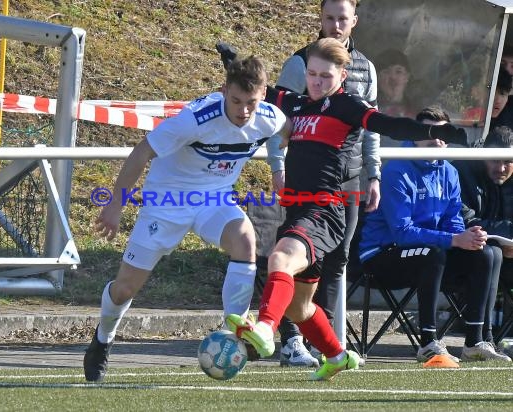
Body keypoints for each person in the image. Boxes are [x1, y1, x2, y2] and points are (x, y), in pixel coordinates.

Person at [217, 38, 468, 380]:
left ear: (343, 75)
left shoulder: (347, 106)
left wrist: (433, 131)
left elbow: (389, 125)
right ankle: (337, 355)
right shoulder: (299, 104)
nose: (317, 82)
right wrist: (233, 60)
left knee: (279, 259)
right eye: (312, 74)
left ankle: (263, 329)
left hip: (324, 212)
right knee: (300, 306)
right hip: (299, 213)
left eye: (325, 76)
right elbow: (264, 90)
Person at [82, 55, 291, 382]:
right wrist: (114, 205)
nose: (243, 110)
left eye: (251, 102)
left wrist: (286, 167)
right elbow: (141, 152)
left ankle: (231, 332)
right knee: (124, 289)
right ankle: (102, 339)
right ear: (223, 91)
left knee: (245, 238)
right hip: (167, 199)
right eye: (236, 101)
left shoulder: (269, 117)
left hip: (215, 198)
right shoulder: (196, 118)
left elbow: (292, 133)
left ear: (263, 94)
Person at [265, 0, 382, 368]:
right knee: (293, 252)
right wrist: (277, 165)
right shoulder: (301, 61)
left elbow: (371, 129)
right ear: (320, 19)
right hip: (308, 177)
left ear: (354, 21)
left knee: (335, 261)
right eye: (329, 17)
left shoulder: (366, 67)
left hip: (350, 180)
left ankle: (327, 346)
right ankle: (290, 341)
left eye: (342, 18)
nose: (335, 25)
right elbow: (277, 116)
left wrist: (373, 174)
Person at [358, 106, 510, 363]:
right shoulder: (396, 169)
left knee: (488, 253)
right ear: (415, 134)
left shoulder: (449, 171)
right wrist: (454, 240)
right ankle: (428, 342)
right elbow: (403, 233)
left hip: (431, 253)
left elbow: (452, 220)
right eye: (428, 132)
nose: (436, 139)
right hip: (383, 255)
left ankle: (475, 341)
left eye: (442, 134)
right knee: (433, 253)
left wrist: (467, 237)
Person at [454, 125, 513, 348]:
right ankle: (482, 337)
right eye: (495, 160)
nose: (501, 168)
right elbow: (467, 221)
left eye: (507, 161)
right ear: (483, 156)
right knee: (492, 253)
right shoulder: (464, 172)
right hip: (462, 256)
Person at [376, 48, 415, 118]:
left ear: (407, 77)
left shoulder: (418, 111)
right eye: (386, 72)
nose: (393, 77)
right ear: (377, 78)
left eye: (398, 71)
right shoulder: (367, 109)